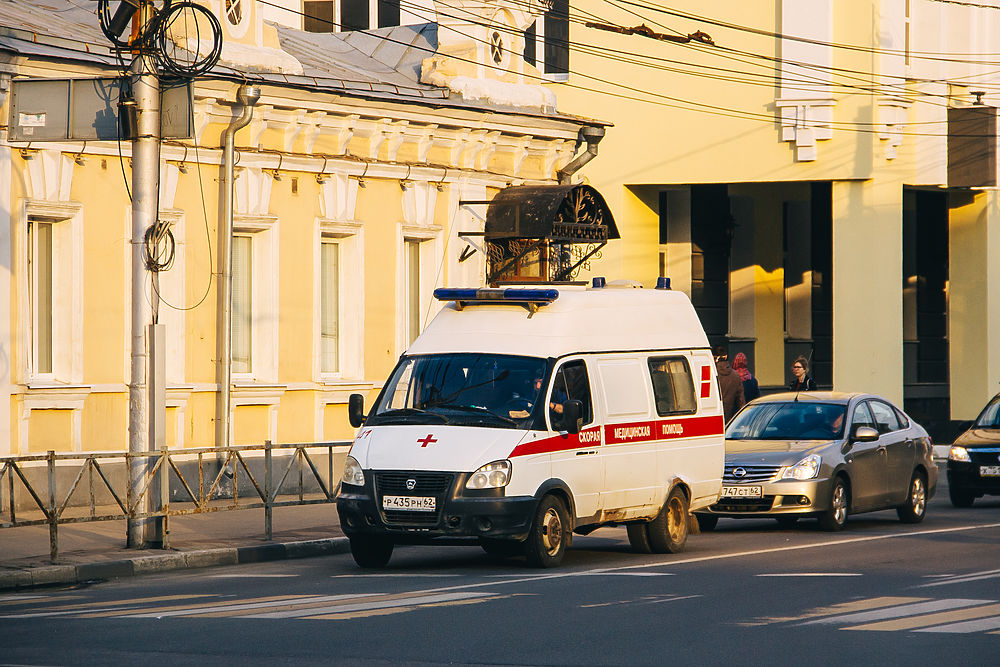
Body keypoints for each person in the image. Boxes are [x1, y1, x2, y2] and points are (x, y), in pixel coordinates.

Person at [714, 345, 745, 423]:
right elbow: (741, 401)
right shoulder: (736, 376)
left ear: (714, 357)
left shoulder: (712, 374)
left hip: (712, 417)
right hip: (729, 419)